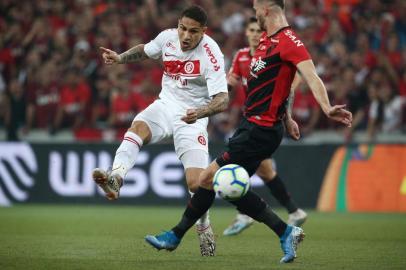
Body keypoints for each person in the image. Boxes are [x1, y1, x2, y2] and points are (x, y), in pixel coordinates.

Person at [144, 0, 352, 264]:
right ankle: (286, 231)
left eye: (255, 11)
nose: (254, 17)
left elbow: (311, 76)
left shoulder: (290, 42)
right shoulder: (266, 40)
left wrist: (326, 107)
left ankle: (174, 236)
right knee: (230, 189)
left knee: (206, 179)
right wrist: (287, 116)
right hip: (252, 126)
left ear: (266, 10)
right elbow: (278, 84)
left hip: (260, 130)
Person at [92, 5, 229, 257]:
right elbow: (145, 51)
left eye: (193, 32)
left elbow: (223, 99)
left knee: (197, 184)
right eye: (183, 28)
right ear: (178, 24)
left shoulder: (211, 54)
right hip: (166, 106)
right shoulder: (167, 38)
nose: (186, 36)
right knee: (137, 128)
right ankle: (116, 178)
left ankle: (203, 224)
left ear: (204, 32)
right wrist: (121, 57)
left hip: (193, 117)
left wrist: (199, 113)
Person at [223, 16, 307, 236]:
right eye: (249, 30)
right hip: (250, 121)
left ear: (263, 33)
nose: (252, 33)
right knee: (264, 170)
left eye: (256, 30)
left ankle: (245, 214)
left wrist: (287, 113)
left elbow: (293, 81)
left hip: (266, 122)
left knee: (245, 167)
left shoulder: (273, 54)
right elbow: (229, 84)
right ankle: (294, 211)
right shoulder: (241, 56)